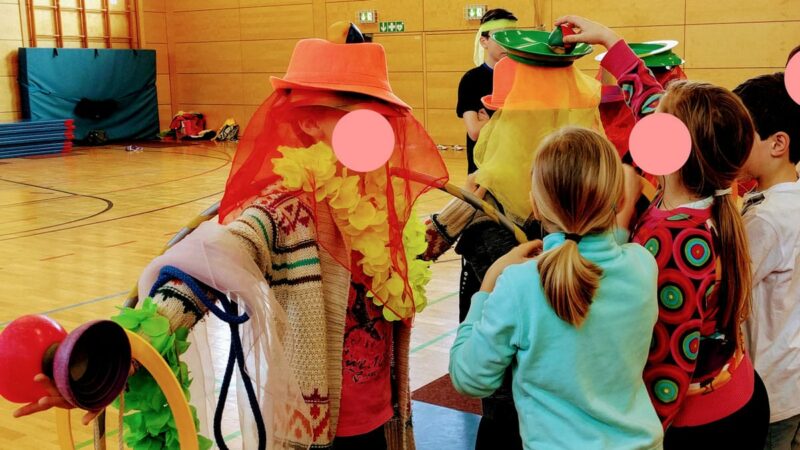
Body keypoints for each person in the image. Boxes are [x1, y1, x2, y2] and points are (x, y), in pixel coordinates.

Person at [13, 27, 448, 450]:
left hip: (384, 417)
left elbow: (417, 254)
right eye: (352, 107)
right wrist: (105, 357)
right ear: (309, 123)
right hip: (318, 433)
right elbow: (211, 265)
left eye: (377, 108)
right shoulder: (283, 209)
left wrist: (490, 209)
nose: (371, 123)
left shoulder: (382, 203)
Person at [560, 14, 770, 448]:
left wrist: (636, 436)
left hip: (701, 422)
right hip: (727, 395)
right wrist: (608, 39)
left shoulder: (680, 238)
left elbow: (668, 360)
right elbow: (649, 100)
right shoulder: (700, 189)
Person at [450, 127, 663, 450]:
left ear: (536, 205)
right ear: (618, 200)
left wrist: (488, 285)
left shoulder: (519, 286)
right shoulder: (643, 265)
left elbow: (469, 378)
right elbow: (604, 251)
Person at [734, 73, 800, 450]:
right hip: (791, 376)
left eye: (741, 134)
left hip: (771, 386)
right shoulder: (789, 197)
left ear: (778, 143)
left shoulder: (766, 220)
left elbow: (725, 285)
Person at [457, 8, 517, 175]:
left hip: (516, 168)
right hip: (482, 172)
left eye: (511, 37)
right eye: (500, 37)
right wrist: (506, 117)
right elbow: (475, 131)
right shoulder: (471, 80)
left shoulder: (523, 77)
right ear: (484, 41)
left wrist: (489, 120)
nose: (507, 43)